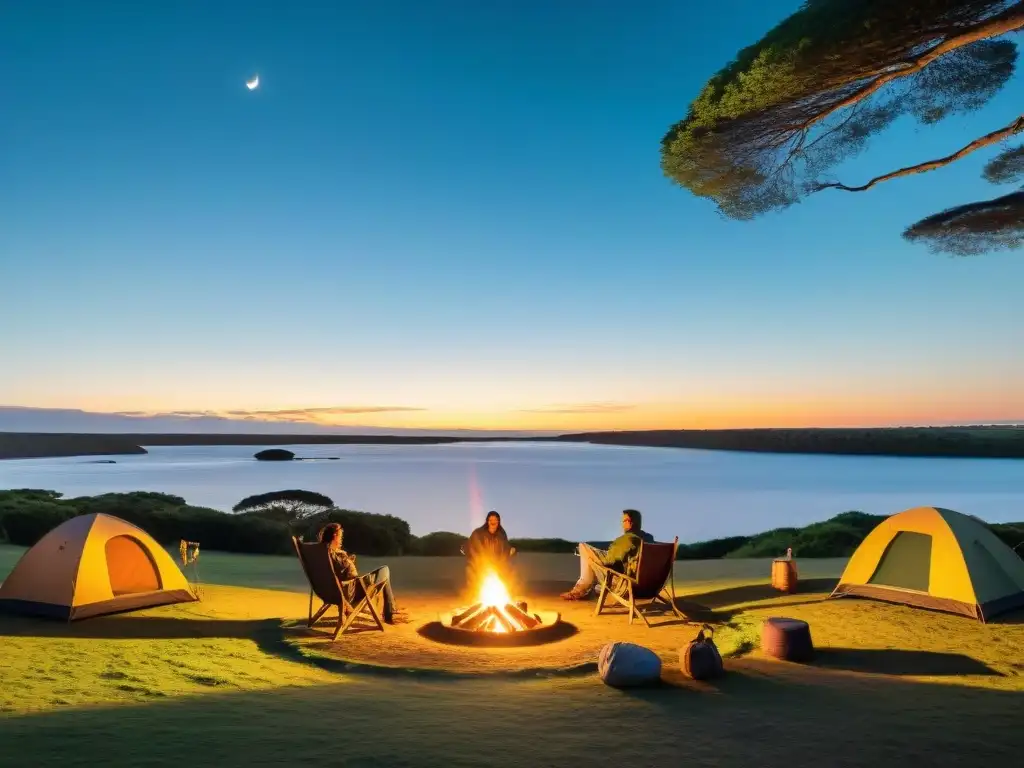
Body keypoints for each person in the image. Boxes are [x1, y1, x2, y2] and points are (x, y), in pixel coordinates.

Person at [318, 522, 408, 624]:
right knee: (385, 570)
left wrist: (347, 561)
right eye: (340, 536)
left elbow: (336, 573)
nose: (341, 539)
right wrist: (349, 562)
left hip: (327, 593)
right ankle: (390, 612)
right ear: (335, 536)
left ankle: (391, 610)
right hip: (351, 593)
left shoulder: (322, 554)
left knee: (383, 574)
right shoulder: (336, 555)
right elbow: (352, 575)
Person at [560, 509, 654, 601]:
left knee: (583, 547)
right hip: (647, 588)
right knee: (597, 586)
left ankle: (580, 590)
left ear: (630, 522)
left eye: (624, 521)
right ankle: (587, 588)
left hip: (627, 587)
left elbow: (609, 562)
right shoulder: (648, 538)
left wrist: (594, 558)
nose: (622, 524)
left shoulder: (627, 539)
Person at [465, 511, 516, 585]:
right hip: (481, 564)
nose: (493, 522)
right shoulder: (478, 533)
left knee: (508, 569)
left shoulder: (501, 534)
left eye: (495, 520)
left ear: (498, 522)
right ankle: (474, 589)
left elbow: (506, 547)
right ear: (487, 522)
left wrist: (511, 550)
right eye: (491, 520)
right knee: (470, 570)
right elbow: (470, 546)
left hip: (498, 564)